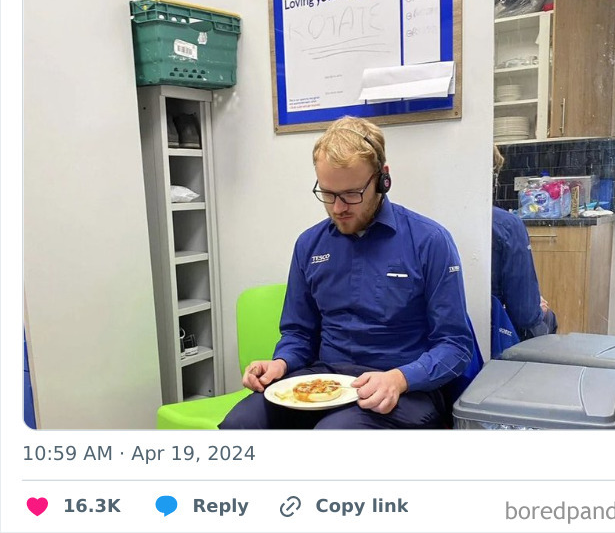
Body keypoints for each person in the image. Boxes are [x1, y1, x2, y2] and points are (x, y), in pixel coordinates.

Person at [219, 116, 476, 430]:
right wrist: (280, 363)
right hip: (326, 381)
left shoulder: (429, 242)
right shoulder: (309, 246)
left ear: (383, 179)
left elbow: (455, 346)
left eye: (351, 194)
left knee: (333, 435)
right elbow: (299, 334)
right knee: (240, 424)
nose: (338, 208)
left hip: (403, 389)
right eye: (327, 194)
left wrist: (400, 379)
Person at [492, 145, 557, 344]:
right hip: (492, 334)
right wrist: (537, 308)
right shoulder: (507, 225)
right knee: (547, 319)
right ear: (494, 177)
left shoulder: (425, 225)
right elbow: (525, 314)